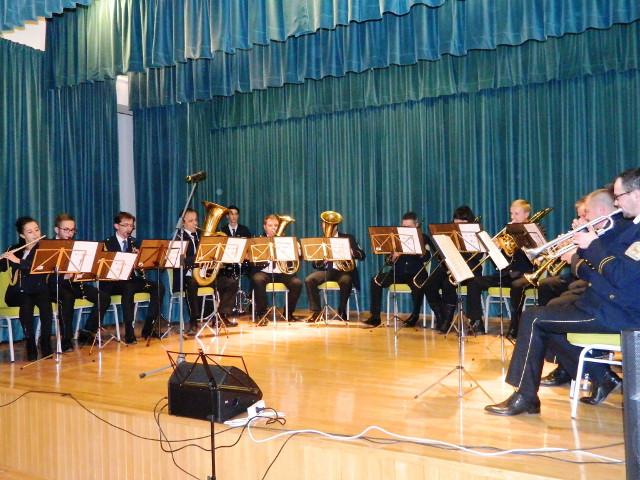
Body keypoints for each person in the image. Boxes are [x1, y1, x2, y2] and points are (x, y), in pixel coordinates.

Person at [484, 169, 640, 416]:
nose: (617, 202)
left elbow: (620, 276)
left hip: (619, 313)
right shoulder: (632, 227)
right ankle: (601, 376)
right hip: (604, 302)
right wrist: (584, 250)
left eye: (619, 196)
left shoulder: (635, 230)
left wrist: (591, 246)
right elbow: (604, 273)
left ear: (637, 194)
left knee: (533, 318)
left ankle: (525, 396)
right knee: (547, 318)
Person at [465, 199, 536, 335]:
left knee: (516, 286)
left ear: (526, 214)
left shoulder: (533, 231)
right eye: (511, 214)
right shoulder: (507, 233)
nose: (512, 217)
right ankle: (476, 322)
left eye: (516, 214)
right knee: (474, 282)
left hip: (525, 275)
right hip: (506, 274)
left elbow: (533, 257)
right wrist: (496, 249)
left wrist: (518, 243)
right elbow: (502, 261)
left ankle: (516, 326)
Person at [49, 213, 110, 350]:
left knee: (103, 297)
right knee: (67, 297)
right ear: (56, 229)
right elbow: (44, 275)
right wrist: (63, 276)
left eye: (72, 230)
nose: (70, 233)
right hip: (54, 287)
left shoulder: (76, 245)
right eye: (66, 230)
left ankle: (87, 331)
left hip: (74, 284)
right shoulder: (48, 246)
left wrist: (85, 272)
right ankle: (66, 340)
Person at [103, 212, 165, 344]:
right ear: (116, 226)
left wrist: (139, 260)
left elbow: (141, 267)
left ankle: (149, 328)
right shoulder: (107, 243)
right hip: (114, 282)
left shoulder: (134, 242)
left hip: (131, 280)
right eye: (125, 225)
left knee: (158, 287)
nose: (129, 229)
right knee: (129, 287)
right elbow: (107, 268)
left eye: (131, 226)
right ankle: (129, 333)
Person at [363, 212, 430, 327]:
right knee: (375, 280)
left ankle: (414, 316)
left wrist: (420, 251)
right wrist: (392, 257)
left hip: (416, 273)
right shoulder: (396, 238)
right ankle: (375, 317)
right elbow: (388, 261)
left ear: (416, 225)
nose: (406, 229)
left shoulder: (423, 238)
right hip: (398, 273)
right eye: (404, 226)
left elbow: (428, 257)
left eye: (409, 227)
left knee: (418, 285)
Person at [1, 217, 52, 361]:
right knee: (26, 302)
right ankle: (30, 344)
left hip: (38, 290)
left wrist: (17, 261)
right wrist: (4, 258)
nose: (35, 234)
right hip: (17, 292)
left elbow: (34, 266)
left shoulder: (44, 249)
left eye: (37, 230)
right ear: (22, 235)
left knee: (46, 305)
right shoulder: (14, 249)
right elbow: (2, 267)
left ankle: (46, 344)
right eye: (30, 232)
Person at [423, 205, 480, 332]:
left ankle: (447, 321)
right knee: (428, 284)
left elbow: (479, 256)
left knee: (447, 283)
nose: (457, 224)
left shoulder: (475, 233)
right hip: (450, 266)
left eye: (462, 221)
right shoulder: (448, 232)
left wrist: (464, 247)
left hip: (469, 268)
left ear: (468, 221)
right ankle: (441, 316)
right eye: (456, 221)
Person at [303, 217, 365, 322]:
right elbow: (314, 264)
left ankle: (342, 310)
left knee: (347, 281)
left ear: (335, 226)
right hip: (327, 271)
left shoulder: (348, 238)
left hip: (343, 272)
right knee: (309, 280)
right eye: (324, 225)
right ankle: (316, 312)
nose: (325, 227)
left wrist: (351, 252)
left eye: (328, 225)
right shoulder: (321, 241)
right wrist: (323, 260)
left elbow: (362, 255)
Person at [249, 214, 303, 321]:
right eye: (270, 225)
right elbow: (252, 261)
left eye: (276, 225)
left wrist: (298, 250)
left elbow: (298, 258)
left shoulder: (286, 241)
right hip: (264, 272)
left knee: (297, 283)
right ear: (265, 227)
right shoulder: (258, 240)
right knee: (258, 279)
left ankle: (288, 313)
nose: (273, 228)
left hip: (281, 272)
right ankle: (262, 314)